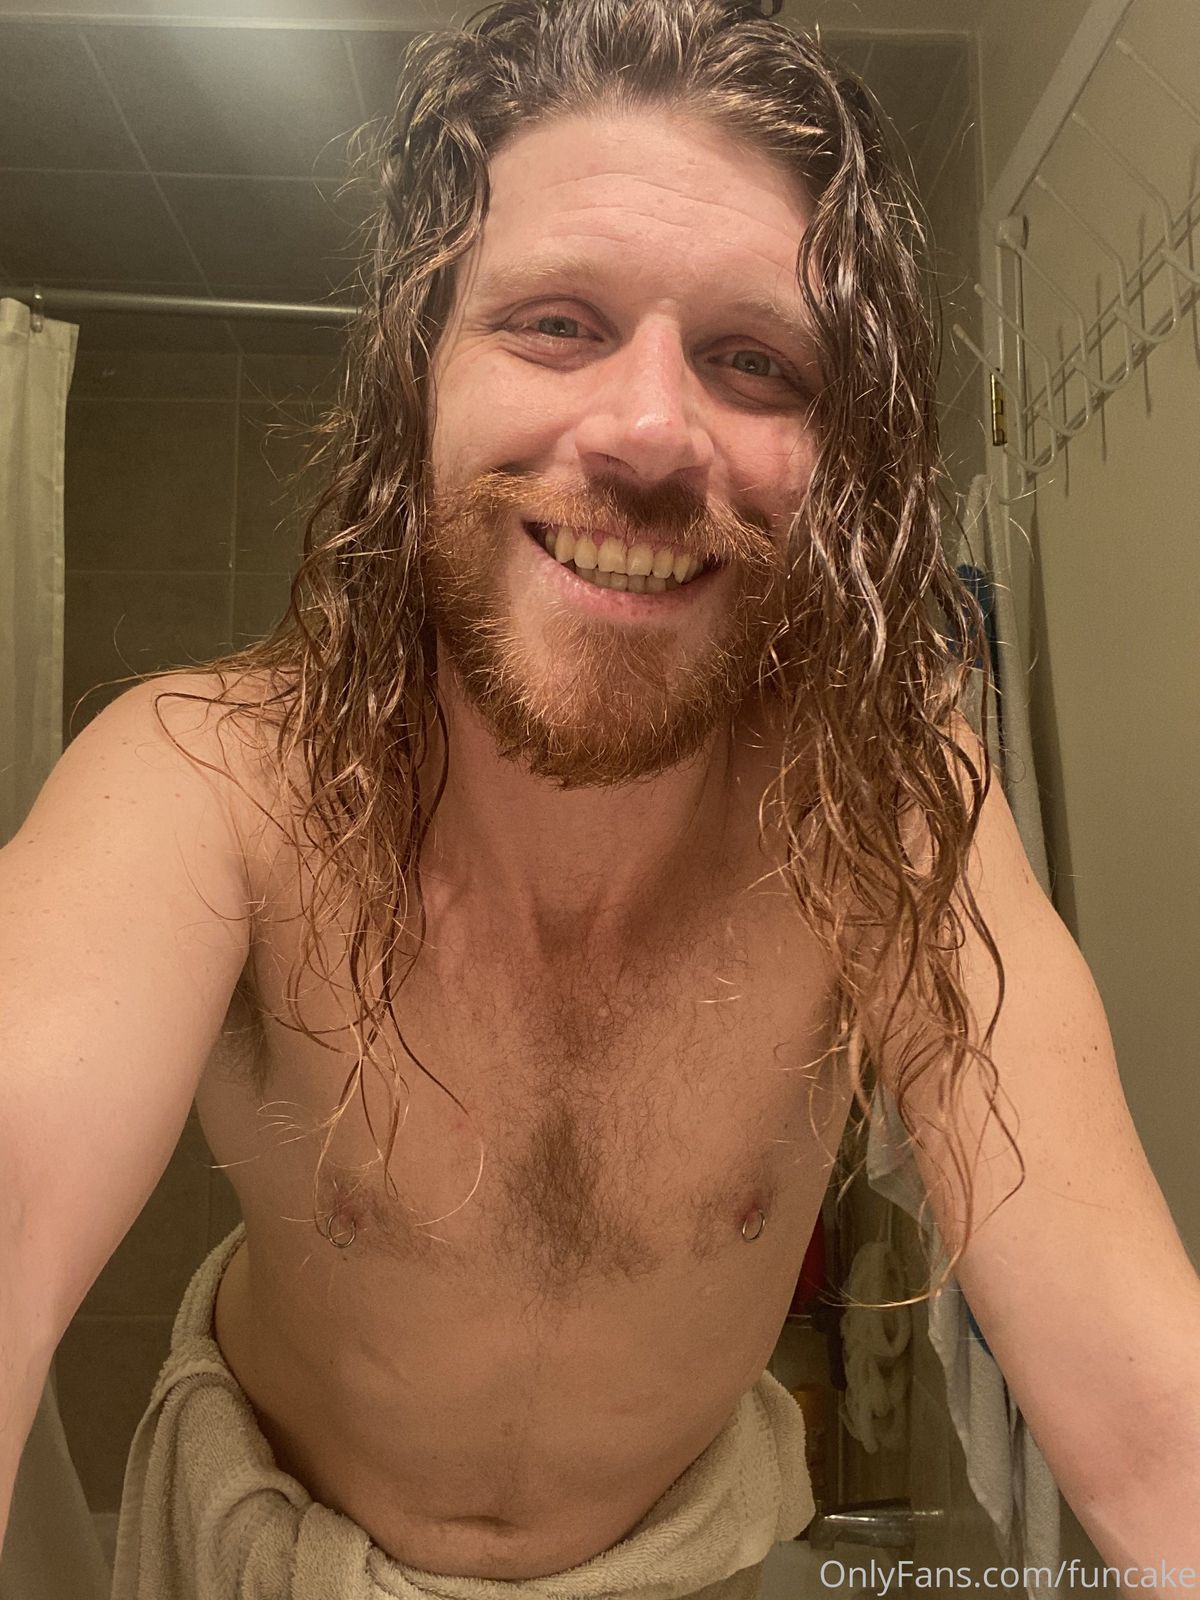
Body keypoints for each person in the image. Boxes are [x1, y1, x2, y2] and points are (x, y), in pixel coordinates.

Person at [2, 2, 1198, 1596]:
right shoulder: (205, 782)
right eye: (557, 323)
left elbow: (1151, 1416)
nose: (649, 431)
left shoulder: (887, 808)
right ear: (418, 382)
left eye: (755, 361)